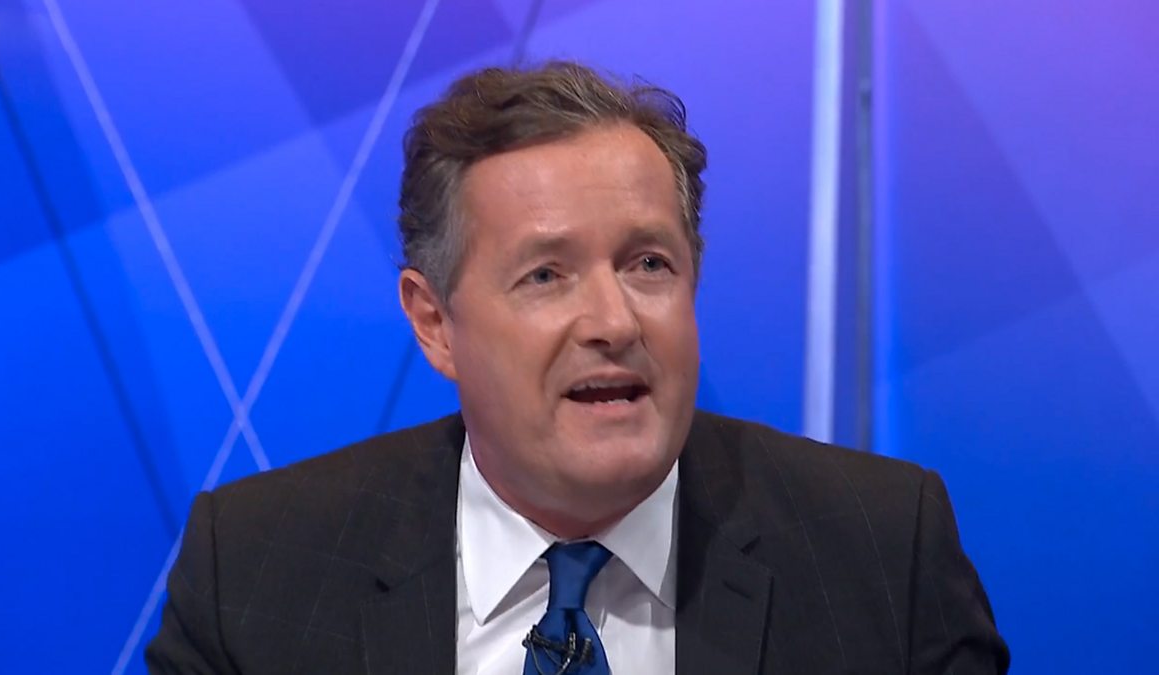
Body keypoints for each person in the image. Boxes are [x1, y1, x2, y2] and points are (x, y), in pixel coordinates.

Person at [146, 61, 1008, 674]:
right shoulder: (256, 575)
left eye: (648, 264)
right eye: (546, 275)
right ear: (434, 322)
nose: (613, 322)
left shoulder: (881, 553)